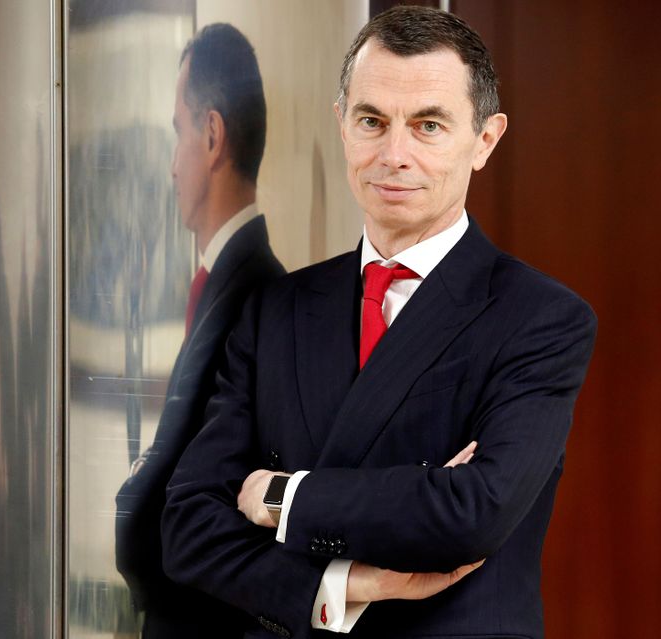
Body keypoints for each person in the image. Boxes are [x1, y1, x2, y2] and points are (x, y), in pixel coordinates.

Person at [162, 7, 596, 639]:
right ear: (343, 127)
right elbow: (187, 526)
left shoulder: (541, 320)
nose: (394, 154)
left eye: (428, 125)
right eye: (372, 121)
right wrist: (339, 585)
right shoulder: (276, 309)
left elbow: (471, 513)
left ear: (485, 139)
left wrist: (282, 496)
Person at [115, 23, 284, 639]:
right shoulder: (229, 281)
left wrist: (128, 520)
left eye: (177, 133)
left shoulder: (255, 292)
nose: (170, 165)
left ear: (211, 137)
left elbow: (186, 487)